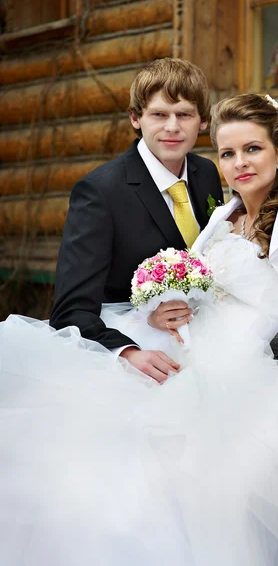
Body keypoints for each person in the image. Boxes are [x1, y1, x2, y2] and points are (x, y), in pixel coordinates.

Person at [0, 94, 278, 565]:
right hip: (172, 342)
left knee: (152, 463)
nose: (239, 163)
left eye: (252, 149)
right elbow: (199, 287)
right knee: (61, 436)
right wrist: (158, 310)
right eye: (227, 153)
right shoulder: (224, 213)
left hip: (231, 365)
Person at [49, 57, 224, 382]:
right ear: (135, 118)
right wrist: (128, 352)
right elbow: (69, 311)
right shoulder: (100, 192)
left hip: (207, 341)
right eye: (159, 114)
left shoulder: (207, 174)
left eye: (184, 114)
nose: (172, 127)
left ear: (202, 121)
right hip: (135, 351)